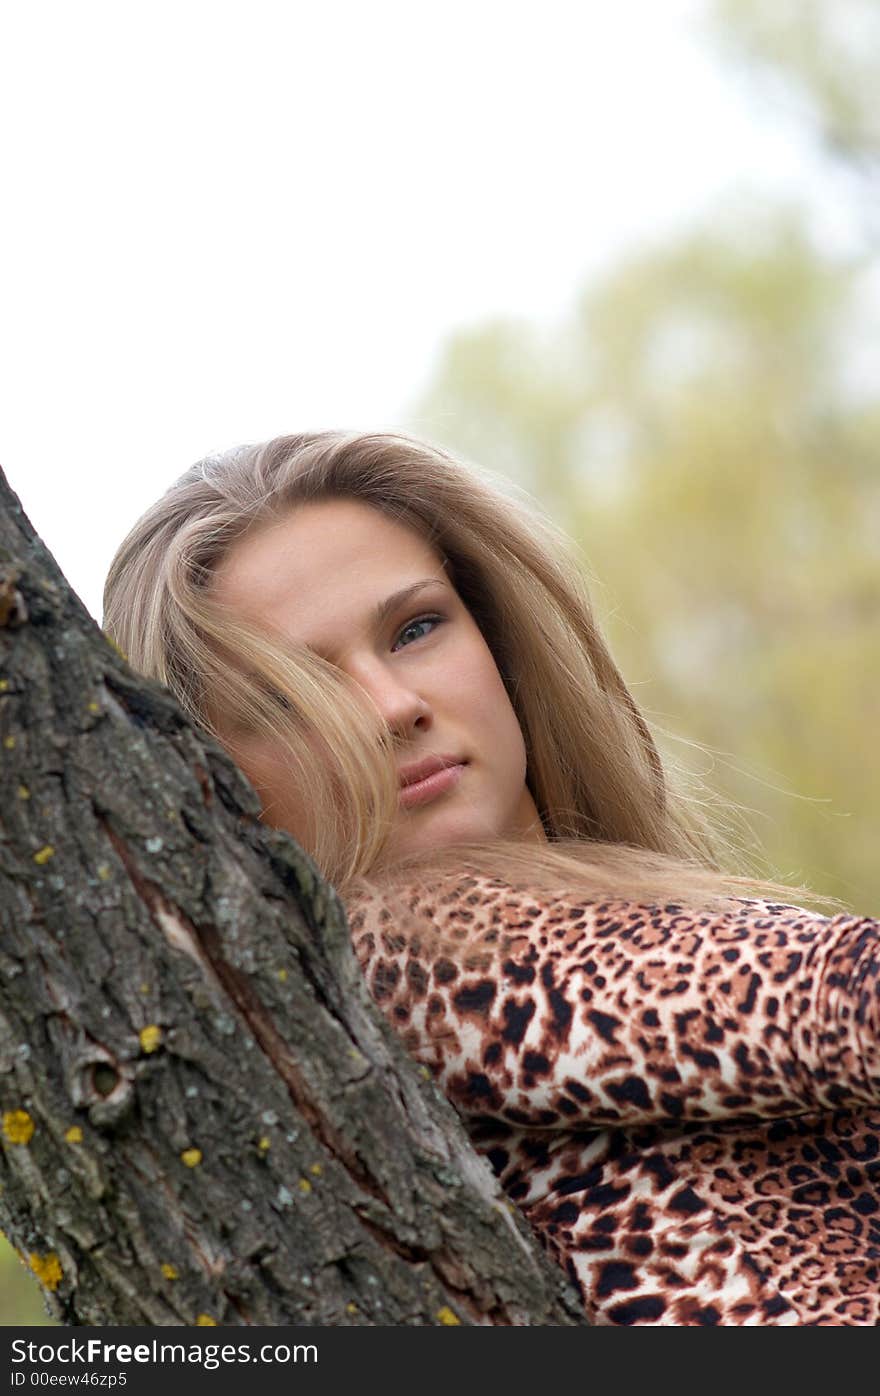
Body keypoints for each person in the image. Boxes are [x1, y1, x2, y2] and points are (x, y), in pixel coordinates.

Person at [103, 429, 880, 1326]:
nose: (393, 709)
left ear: (496, 633)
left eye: (416, 628)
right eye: (290, 697)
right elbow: (830, 1004)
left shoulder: (597, 910)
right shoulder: (395, 952)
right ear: (213, 777)